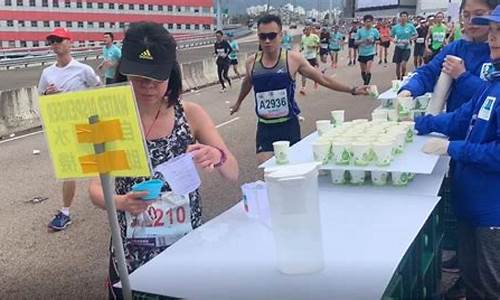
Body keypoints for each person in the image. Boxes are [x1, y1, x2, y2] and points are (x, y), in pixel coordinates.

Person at [88, 22, 239, 299]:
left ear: (171, 71)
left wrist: (217, 156)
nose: (147, 87)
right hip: (131, 253)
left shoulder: (190, 114)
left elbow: (233, 171)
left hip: (186, 249)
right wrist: (122, 202)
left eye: (156, 79)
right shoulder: (111, 119)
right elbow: (95, 188)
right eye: (139, 77)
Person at [399, 0, 496, 297]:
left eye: (484, 20)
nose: (491, 36)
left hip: (492, 209)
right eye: (466, 16)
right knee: (474, 275)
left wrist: (453, 147)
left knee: (491, 282)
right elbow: (465, 114)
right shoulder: (491, 78)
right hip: (473, 200)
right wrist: (419, 120)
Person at [229, 15, 369, 165]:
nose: (267, 40)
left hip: (288, 125)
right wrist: (238, 103)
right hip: (265, 127)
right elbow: (247, 82)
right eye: (263, 36)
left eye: (272, 35)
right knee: (267, 171)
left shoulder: (293, 60)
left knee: (290, 171)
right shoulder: (252, 62)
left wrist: (352, 89)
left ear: (281, 35)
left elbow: (322, 79)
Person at [37, 28, 101, 231]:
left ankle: (110, 199)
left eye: (58, 40)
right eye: (52, 41)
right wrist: (48, 94)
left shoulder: (83, 70)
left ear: (69, 43)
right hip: (63, 128)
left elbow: (99, 90)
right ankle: (65, 212)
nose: (54, 44)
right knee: (69, 170)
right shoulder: (47, 72)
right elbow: (41, 97)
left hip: (85, 126)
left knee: (99, 165)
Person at [391, 11, 418, 80]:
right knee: (398, 65)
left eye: (405, 16)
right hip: (398, 47)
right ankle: (398, 78)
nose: (403, 18)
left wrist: (409, 39)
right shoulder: (395, 27)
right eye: (402, 16)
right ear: (399, 18)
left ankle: (402, 75)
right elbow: (391, 36)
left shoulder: (410, 26)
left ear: (407, 18)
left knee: (403, 64)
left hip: (407, 48)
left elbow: (416, 35)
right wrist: (394, 40)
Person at [355, 15, 380, 85]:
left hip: (370, 52)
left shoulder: (375, 31)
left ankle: (366, 85)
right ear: (364, 22)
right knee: (363, 71)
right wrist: (363, 41)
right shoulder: (360, 31)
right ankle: (365, 81)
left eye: (370, 22)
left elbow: (379, 41)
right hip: (362, 53)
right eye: (367, 22)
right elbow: (355, 42)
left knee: (368, 70)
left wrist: (373, 41)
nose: (368, 23)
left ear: (372, 22)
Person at [299, 25, 320, 95]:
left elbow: (318, 45)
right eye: (305, 30)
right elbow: (302, 45)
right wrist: (300, 49)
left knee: (313, 72)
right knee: (303, 73)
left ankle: (316, 81)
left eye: (308, 30)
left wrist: (312, 46)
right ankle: (303, 88)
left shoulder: (314, 37)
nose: (306, 31)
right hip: (305, 57)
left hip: (312, 57)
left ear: (310, 30)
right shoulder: (303, 37)